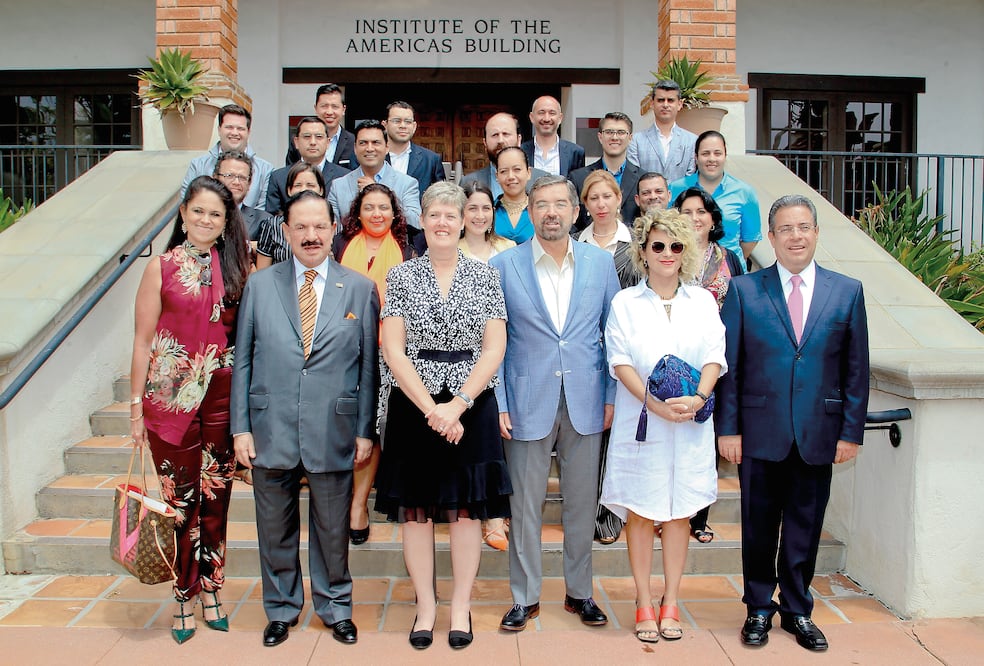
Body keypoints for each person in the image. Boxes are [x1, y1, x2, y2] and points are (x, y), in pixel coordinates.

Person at [717, 194, 869, 652]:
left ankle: (798, 609)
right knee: (758, 525)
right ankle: (759, 608)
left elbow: (856, 369)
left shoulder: (847, 291)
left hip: (819, 433)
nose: (795, 236)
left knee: (805, 525)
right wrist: (729, 429)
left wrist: (850, 431)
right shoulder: (745, 290)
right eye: (785, 228)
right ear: (771, 236)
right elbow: (731, 365)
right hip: (759, 432)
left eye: (804, 227)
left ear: (817, 233)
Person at [230, 190, 379, 648]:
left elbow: (369, 366)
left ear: (334, 228)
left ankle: (335, 607)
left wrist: (364, 430)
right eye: (301, 227)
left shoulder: (358, 287)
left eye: (319, 226)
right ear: (287, 232)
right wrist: (241, 427)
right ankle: (281, 609)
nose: (311, 236)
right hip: (270, 425)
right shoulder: (260, 284)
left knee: (332, 529)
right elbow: (244, 361)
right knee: (274, 528)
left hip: (333, 428)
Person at [374, 182, 512, 650]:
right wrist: (431, 407)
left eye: (450, 215)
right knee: (416, 512)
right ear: (422, 221)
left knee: (466, 512)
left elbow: (494, 348)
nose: (442, 222)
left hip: (470, 405)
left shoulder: (486, 276)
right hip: (416, 405)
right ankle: (426, 606)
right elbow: (393, 349)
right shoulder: (402, 276)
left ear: (463, 221)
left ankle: (460, 606)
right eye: (433, 214)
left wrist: (458, 404)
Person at [491, 175, 620, 633]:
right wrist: (500, 401)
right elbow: (495, 343)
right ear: (528, 208)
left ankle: (579, 592)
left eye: (560, 204)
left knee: (581, 503)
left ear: (574, 210)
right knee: (523, 504)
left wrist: (609, 396)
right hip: (526, 399)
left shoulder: (601, 264)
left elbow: (613, 337)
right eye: (541, 203)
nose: (551, 211)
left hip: (586, 399)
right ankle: (524, 597)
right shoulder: (504, 266)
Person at [129, 175, 251, 644]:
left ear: (225, 224)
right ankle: (184, 592)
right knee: (180, 503)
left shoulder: (238, 266)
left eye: (215, 214)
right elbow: (142, 341)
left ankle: (213, 587)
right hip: (169, 402)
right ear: (183, 215)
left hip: (221, 397)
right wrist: (136, 409)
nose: (205, 219)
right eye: (198, 211)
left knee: (216, 499)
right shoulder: (159, 268)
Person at [600, 208, 725, 643]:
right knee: (640, 510)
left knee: (679, 513)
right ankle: (642, 601)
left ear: (686, 251)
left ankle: (671, 600)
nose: (667, 253)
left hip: (690, 422)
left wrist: (699, 397)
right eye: (658, 246)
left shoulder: (704, 301)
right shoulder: (625, 302)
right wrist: (653, 403)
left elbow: (715, 355)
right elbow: (619, 361)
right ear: (643, 252)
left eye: (676, 246)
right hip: (641, 422)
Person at [333, 182, 415, 545]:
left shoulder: (409, 250)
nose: (377, 214)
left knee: (375, 424)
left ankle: (359, 505)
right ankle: (343, 499)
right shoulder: (338, 247)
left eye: (384, 207)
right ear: (358, 212)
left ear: (395, 213)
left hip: (389, 352)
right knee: (346, 423)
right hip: (342, 349)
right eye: (370, 207)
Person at [674, 187, 744, 545]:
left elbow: (745, 304)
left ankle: (699, 516)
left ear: (713, 218)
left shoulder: (730, 259)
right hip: (677, 360)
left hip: (718, 360)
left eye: (701, 211)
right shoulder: (670, 255)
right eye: (686, 211)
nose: (695, 217)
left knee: (709, 438)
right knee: (678, 436)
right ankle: (670, 512)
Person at [456, 180, 515, 551]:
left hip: (500, 351)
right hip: (458, 357)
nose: (479, 215)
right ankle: (465, 508)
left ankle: (495, 514)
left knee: (494, 437)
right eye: (472, 208)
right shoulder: (450, 250)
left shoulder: (508, 250)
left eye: (485, 208)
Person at [669, 130, 762, 265]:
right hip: (686, 269)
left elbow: (750, 240)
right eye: (705, 153)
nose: (711, 159)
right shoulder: (676, 189)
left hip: (730, 271)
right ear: (696, 157)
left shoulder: (745, 192)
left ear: (725, 156)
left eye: (717, 153)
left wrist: (726, 260)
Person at [329, 119, 421, 229]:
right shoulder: (338, 186)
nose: (369, 149)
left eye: (376, 143)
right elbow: (333, 230)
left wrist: (380, 191)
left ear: (387, 147)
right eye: (363, 143)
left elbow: (416, 222)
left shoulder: (407, 184)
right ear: (355, 148)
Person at [180, 103, 273, 210]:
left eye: (240, 128)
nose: (234, 132)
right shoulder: (198, 165)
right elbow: (187, 205)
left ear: (248, 132)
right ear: (219, 129)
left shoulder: (265, 170)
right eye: (229, 127)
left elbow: (261, 214)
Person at [568, 111, 643, 231]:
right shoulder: (578, 178)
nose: (614, 137)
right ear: (600, 136)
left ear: (630, 138)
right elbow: (570, 220)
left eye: (621, 132)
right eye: (609, 132)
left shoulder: (642, 178)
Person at [266, 116, 348, 215]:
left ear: (328, 143)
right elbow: (272, 217)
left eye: (318, 137)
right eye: (307, 136)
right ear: (296, 142)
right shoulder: (278, 177)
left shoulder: (344, 177)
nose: (313, 142)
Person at [459, 112, 550, 198]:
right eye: (495, 135)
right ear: (485, 143)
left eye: (506, 134)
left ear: (519, 140)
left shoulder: (542, 180)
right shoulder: (468, 182)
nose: (500, 140)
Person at [573, 170, 638, 289]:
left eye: (607, 196)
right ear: (586, 204)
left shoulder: (638, 242)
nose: (601, 204)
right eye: (594, 198)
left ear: (618, 198)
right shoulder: (573, 243)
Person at [255, 162, 326, 269]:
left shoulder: (333, 225)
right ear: (289, 190)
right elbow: (263, 274)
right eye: (298, 185)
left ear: (321, 190)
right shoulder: (272, 225)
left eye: (310, 185)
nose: (304, 190)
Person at [626, 80, 697, 183]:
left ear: (679, 104)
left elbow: (691, 178)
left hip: (681, 198)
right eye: (660, 100)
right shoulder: (636, 141)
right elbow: (634, 178)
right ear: (652, 103)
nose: (665, 105)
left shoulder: (692, 141)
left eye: (670, 100)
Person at [384, 101, 446, 201]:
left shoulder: (431, 160)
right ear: (385, 124)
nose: (403, 126)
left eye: (408, 122)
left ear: (414, 126)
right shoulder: (373, 156)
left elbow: (441, 198)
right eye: (397, 121)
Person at [284, 83, 356, 169]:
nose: (329, 112)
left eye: (335, 106)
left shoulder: (353, 142)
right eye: (324, 106)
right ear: (316, 108)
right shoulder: (299, 140)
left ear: (343, 110)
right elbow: (289, 173)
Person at [212, 150, 272, 243]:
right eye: (229, 175)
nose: (236, 182)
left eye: (242, 177)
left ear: (249, 184)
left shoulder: (264, 221)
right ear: (215, 178)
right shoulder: (201, 216)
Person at [520, 95, 585, 177]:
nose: (546, 119)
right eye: (541, 112)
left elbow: (578, 186)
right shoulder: (520, 151)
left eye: (552, 113)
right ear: (532, 117)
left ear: (560, 118)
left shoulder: (575, 152)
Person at [492, 146, 534, 244]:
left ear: (528, 173)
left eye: (517, 169)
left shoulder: (540, 210)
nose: (511, 176)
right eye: (503, 171)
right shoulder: (489, 211)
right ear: (497, 176)